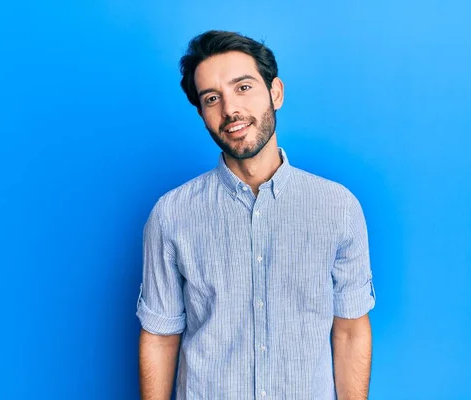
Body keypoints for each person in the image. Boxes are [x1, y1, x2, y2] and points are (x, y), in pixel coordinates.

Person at [136, 30, 376, 400]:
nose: (230, 109)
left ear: (275, 93)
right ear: (201, 114)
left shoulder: (338, 207)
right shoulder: (171, 215)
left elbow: (350, 330)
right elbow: (159, 334)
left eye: (243, 87)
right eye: (212, 98)